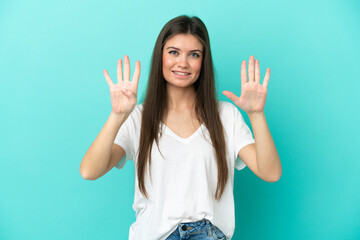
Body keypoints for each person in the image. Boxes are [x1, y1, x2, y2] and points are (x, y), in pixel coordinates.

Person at [80, 15, 282, 240]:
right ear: (161, 56)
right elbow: (89, 170)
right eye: (174, 52)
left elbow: (270, 172)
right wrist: (117, 116)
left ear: (203, 61)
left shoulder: (225, 115)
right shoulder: (139, 117)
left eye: (193, 55)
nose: (183, 63)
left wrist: (256, 115)